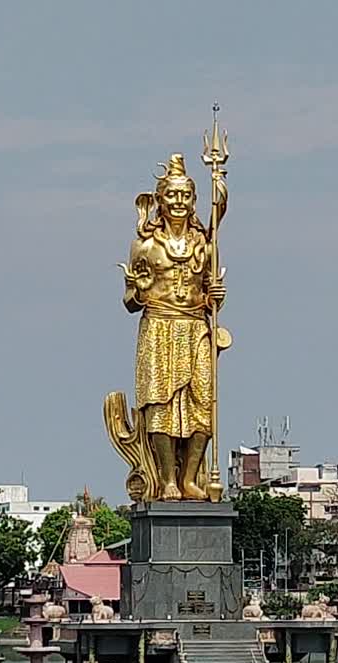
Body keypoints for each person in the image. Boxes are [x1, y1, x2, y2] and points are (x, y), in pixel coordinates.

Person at [120, 154, 226, 501]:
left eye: (186, 196)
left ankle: (190, 478)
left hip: (194, 326)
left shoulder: (205, 245)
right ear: (160, 200)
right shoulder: (146, 246)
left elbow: (211, 298)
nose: (179, 203)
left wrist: (215, 297)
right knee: (161, 405)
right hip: (160, 327)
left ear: (194, 200)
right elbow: (130, 302)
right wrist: (138, 287)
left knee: (202, 402)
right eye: (172, 195)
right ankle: (167, 479)